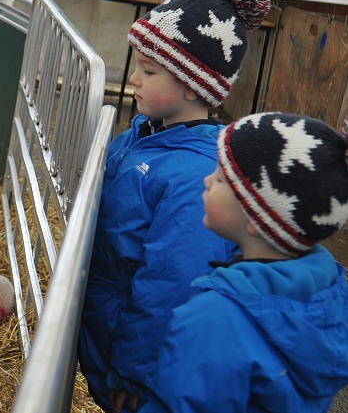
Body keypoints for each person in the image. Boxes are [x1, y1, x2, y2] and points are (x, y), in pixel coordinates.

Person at [77, 0, 271, 413]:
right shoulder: (143, 136)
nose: (133, 79)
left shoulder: (195, 176)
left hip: (140, 363)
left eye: (149, 71)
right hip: (108, 326)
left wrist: (137, 370)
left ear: (192, 86)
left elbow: (172, 283)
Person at [140, 112, 348, 412]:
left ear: (257, 219)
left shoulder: (212, 319)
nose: (207, 180)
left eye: (223, 178)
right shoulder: (329, 296)